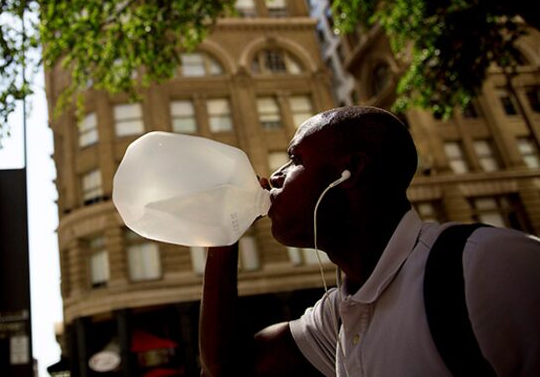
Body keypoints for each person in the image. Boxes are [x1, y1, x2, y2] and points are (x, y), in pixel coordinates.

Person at [199, 105, 540, 376]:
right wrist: (222, 235)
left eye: (295, 159)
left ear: (350, 172)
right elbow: (227, 367)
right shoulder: (339, 316)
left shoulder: (486, 266)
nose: (274, 176)